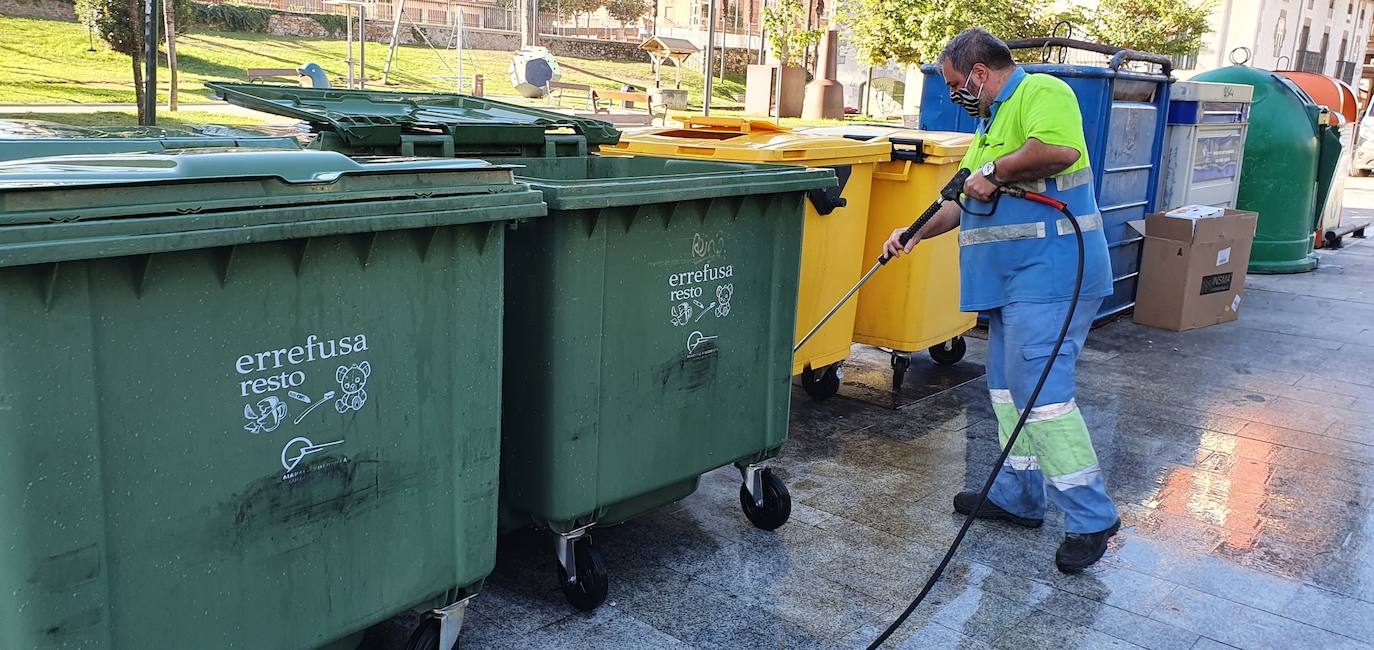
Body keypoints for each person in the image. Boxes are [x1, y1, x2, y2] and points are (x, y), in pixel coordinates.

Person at [883, 28, 1120, 573]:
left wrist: (993, 171)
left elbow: (1058, 152)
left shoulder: (1042, 93)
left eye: (954, 83)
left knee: (1043, 395)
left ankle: (1091, 515)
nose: (954, 94)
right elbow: (967, 196)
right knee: (1009, 392)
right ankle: (1020, 496)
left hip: (1055, 273)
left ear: (979, 74)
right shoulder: (990, 123)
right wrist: (915, 231)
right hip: (1015, 286)